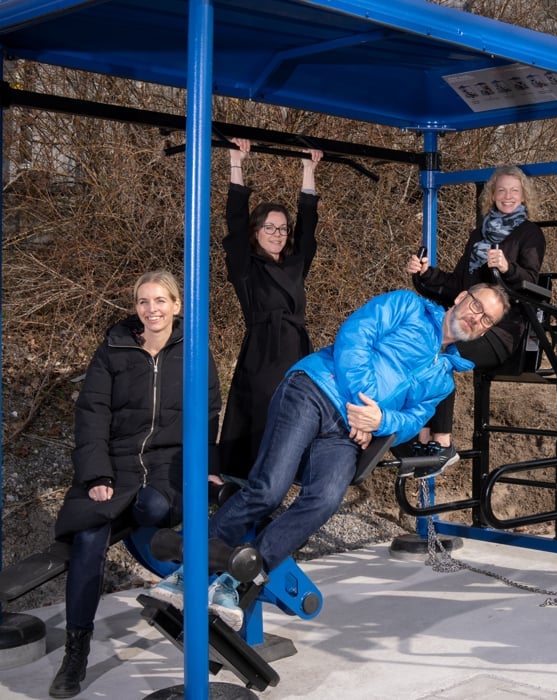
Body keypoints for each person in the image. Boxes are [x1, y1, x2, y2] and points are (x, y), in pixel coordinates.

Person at [150, 283, 509, 631]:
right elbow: (356, 336)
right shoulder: (407, 306)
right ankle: (187, 573)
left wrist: (380, 421)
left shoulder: (444, 379)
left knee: (324, 499)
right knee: (269, 490)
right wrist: (364, 403)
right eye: (476, 306)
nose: (476, 318)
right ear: (461, 297)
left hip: (348, 434)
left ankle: (235, 583)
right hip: (315, 390)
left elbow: (413, 420)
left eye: (487, 320)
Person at [48, 271, 220, 698]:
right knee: (89, 537)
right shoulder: (114, 348)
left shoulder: (194, 351)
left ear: (177, 306)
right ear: (136, 308)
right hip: (117, 462)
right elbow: (92, 413)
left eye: (160, 301)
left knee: (155, 508)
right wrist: (97, 475)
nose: (151, 309)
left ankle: (131, 517)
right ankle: (76, 650)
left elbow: (209, 413)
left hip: (168, 463)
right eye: (144, 301)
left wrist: (208, 466)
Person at [405, 165, 545, 467]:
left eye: (514, 191)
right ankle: (423, 436)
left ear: (524, 196)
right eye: (501, 190)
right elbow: (458, 285)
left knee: (442, 353)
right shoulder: (478, 235)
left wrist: (507, 268)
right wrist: (426, 273)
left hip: (501, 331)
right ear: (492, 195)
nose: (507, 196)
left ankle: (443, 442)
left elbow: (532, 284)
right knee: (423, 345)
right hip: (469, 321)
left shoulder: (530, 234)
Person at [219, 138, 324, 481]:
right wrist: (236, 162)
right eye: (269, 228)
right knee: (262, 418)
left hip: (296, 352)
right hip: (263, 353)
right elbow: (235, 223)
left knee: (297, 416)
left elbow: (308, 229)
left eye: (282, 228)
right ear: (257, 232)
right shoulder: (245, 266)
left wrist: (308, 170)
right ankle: (249, 485)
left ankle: (284, 480)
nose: (277, 234)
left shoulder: (294, 264)